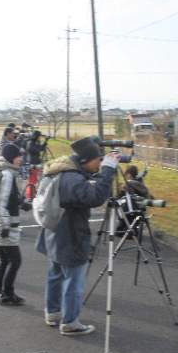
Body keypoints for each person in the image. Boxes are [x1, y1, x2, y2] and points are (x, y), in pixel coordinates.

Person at [36, 137, 119, 336]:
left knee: (55, 275)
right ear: (85, 161)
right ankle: (70, 322)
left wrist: (102, 171)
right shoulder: (71, 179)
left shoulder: (59, 171)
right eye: (98, 160)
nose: (99, 164)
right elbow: (96, 197)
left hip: (54, 233)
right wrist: (108, 170)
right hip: (70, 235)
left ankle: (53, 313)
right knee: (73, 281)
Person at [0, 144, 29, 306]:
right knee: (15, 261)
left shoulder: (3, 172)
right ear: (11, 157)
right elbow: (0, 202)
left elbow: (5, 198)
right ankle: (7, 294)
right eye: (18, 156)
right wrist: (4, 226)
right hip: (2, 226)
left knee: (5, 260)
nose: (21, 158)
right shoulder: (7, 174)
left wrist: (21, 202)